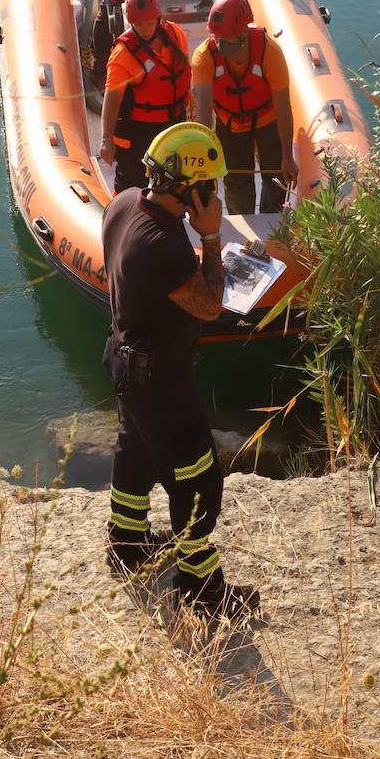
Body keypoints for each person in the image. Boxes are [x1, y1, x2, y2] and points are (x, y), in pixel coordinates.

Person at [101, 122, 261, 620]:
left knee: (135, 450)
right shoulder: (163, 245)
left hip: (125, 360)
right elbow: (211, 306)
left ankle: (125, 545)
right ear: (187, 186)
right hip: (162, 380)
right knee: (197, 480)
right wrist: (211, 235)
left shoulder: (124, 202)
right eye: (207, 186)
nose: (211, 194)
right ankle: (202, 589)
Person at [192, 0, 298, 215]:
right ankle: (243, 226)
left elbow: (283, 108)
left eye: (225, 39)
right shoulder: (204, 56)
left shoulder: (270, 52)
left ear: (242, 33)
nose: (219, 44)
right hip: (230, 126)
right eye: (216, 38)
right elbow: (203, 116)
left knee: (276, 178)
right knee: (236, 184)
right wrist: (204, 162)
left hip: (268, 122)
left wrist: (288, 156)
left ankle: (273, 224)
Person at [99, 0, 191, 195]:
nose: (146, 28)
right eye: (139, 24)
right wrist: (106, 140)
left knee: (173, 180)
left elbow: (184, 71)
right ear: (131, 23)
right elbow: (112, 100)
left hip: (172, 122)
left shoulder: (175, 34)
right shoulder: (123, 54)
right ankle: (124, 219)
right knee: (131, 184)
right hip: (137, 129)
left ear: (158, 18)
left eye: (149, 23)